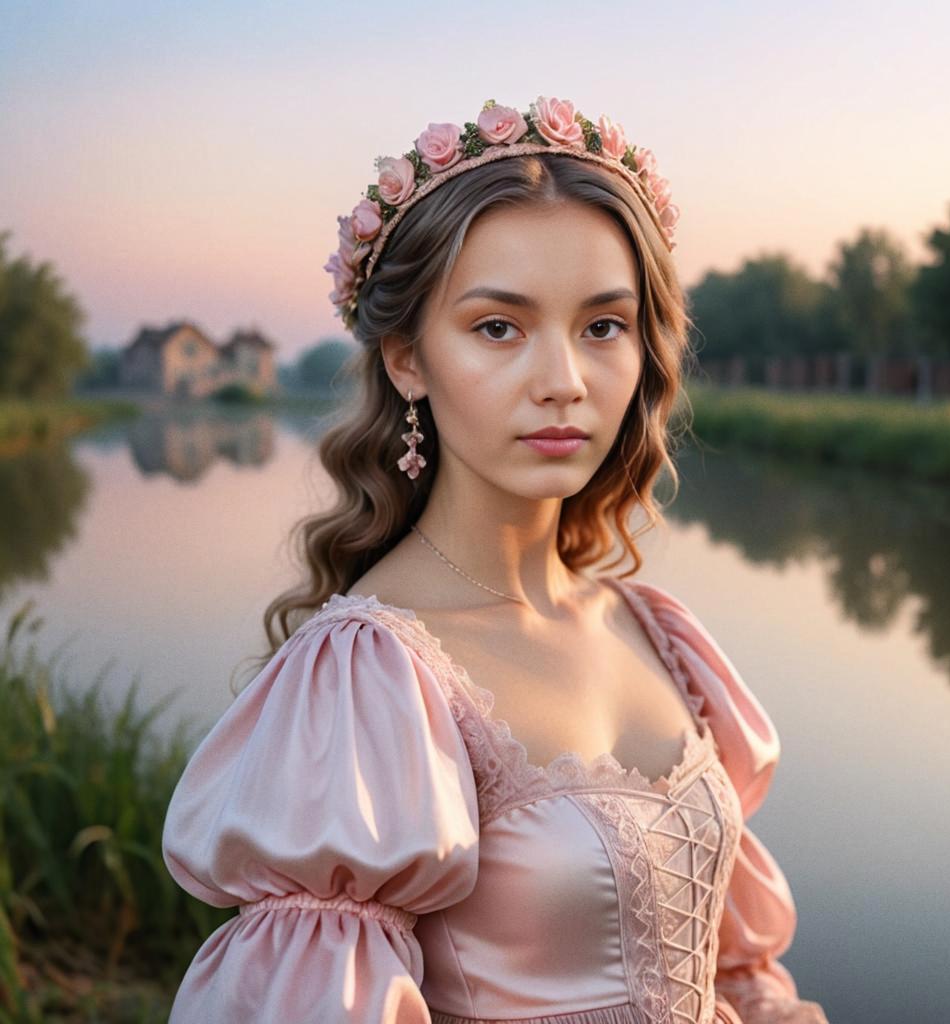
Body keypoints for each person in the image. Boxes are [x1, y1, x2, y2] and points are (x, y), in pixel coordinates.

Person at [161, 95, 830, 1024]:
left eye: (603, 326)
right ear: (407, 359)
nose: (563, 381)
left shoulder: (660, 633)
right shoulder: (375, 676)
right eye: (498, 327)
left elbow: (736, 976)